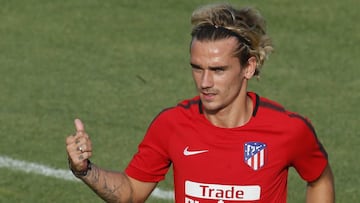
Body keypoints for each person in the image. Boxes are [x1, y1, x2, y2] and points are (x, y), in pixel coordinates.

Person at [66, 3, 335, 203]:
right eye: (197, 68)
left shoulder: (288, 130)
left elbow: (319, 178)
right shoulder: (172, 124)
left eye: (218, 70)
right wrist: (84, 170)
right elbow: (130, 192)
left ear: (248, 67)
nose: (204, 81)